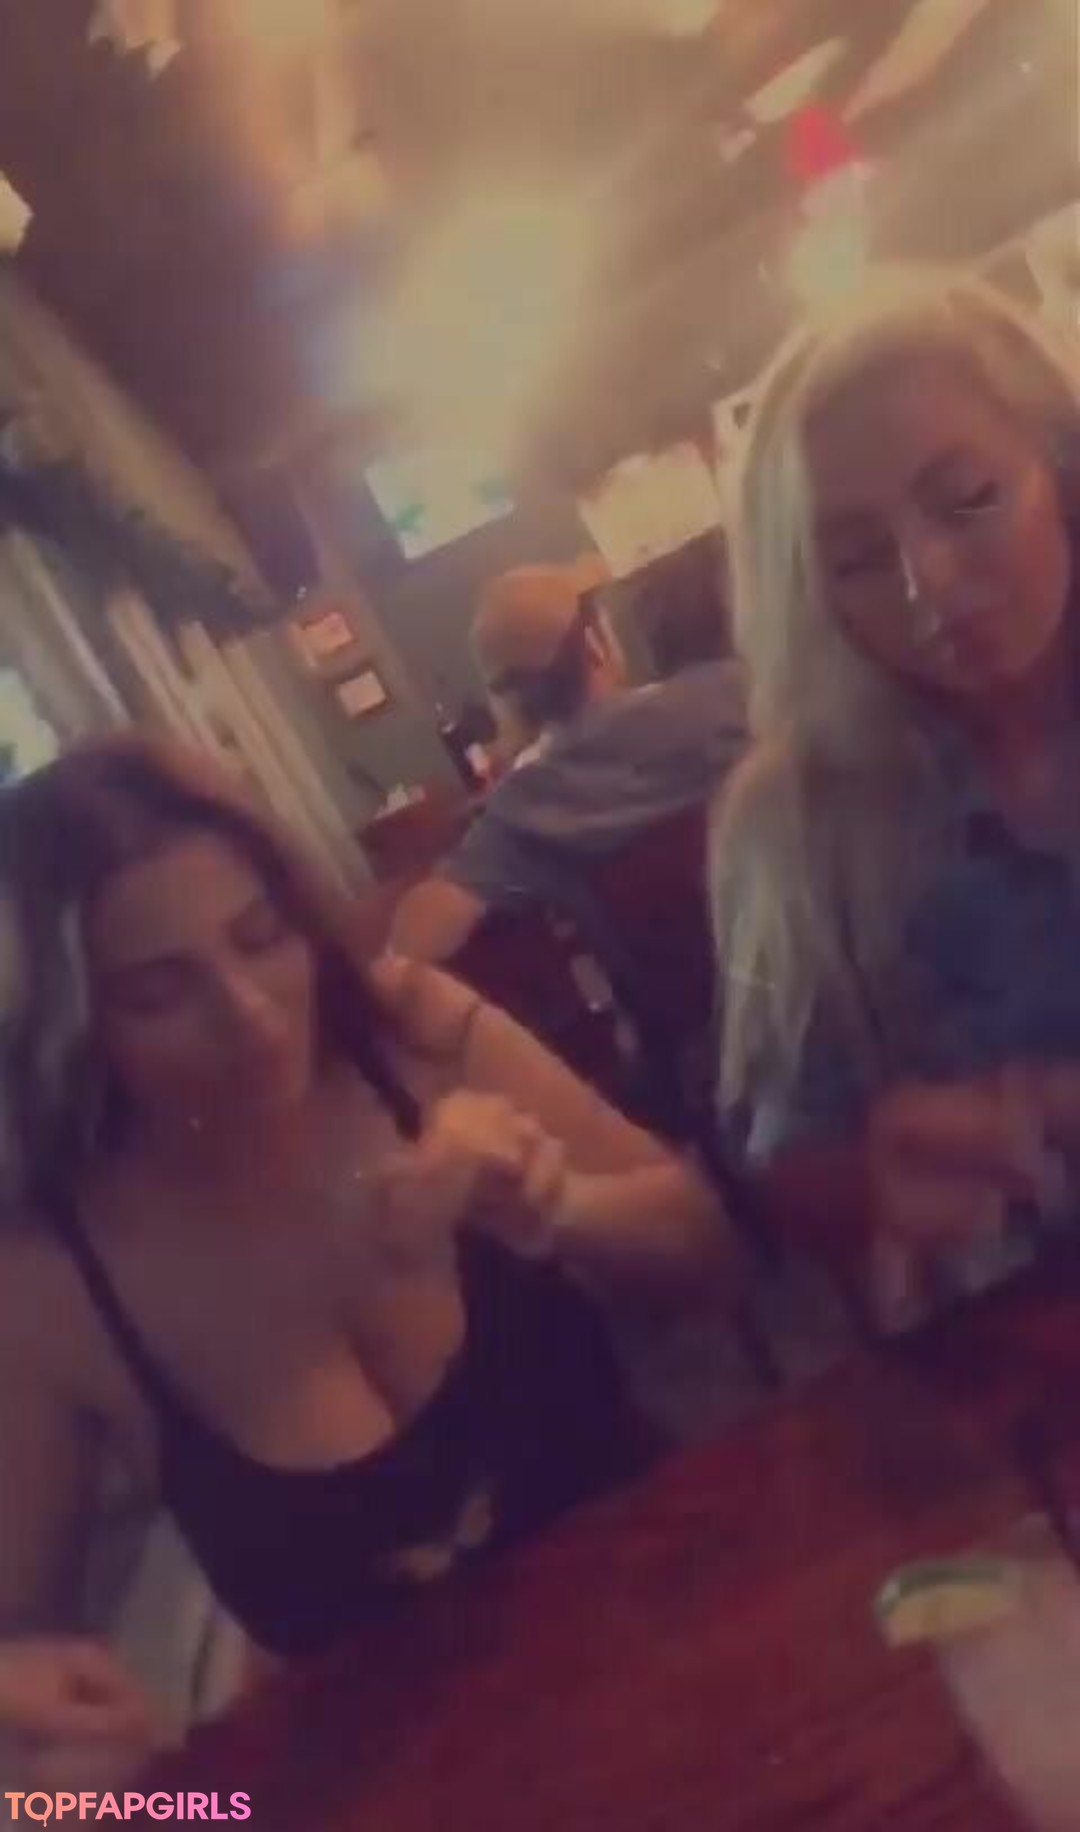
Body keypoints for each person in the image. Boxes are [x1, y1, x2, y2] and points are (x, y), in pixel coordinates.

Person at [0, 734, 728, 1790]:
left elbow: (709, 1251)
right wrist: (69, 1766)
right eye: (158, 993)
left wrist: (565, 1208)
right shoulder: (54, 1279)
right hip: (412, 1780)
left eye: (261, 938)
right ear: (73, 1029)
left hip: (680, 1642)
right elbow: (20, 1642)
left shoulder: (415, 1037)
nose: (251, 1014)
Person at [711, 264, 1080, 1327]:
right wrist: (872, 1173)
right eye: (859, 559)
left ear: (1059, 463)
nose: (931, 584)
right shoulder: (794, 824)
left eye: (969, 501)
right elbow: (785, 1160)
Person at [391, 557, 746, 963]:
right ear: (594, 644)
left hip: (677, 1003)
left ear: (510, 699)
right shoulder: (729, 694)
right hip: (794, 973)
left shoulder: (521, 808)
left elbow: (410, 950)